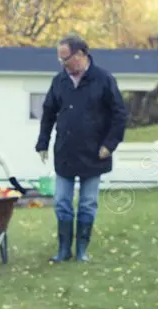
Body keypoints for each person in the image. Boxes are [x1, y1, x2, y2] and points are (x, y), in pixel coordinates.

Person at [35, 33, 127, 263]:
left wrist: (110, 145)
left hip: (95, 153)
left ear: (80, 55)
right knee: (62, 203)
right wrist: (43, 142)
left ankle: (82, 251)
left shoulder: (104, 79)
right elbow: (48, 113)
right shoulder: (59, 81)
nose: (63, 64)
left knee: (87, 204)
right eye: (61, 60)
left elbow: (120, 115)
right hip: (65, 152)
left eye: (65, 58)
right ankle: (64, 250)